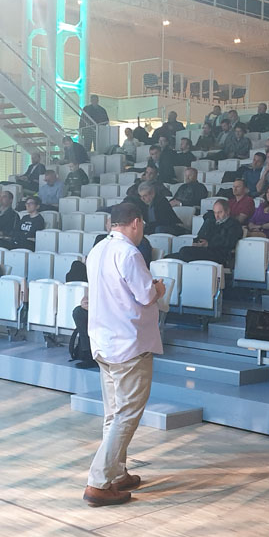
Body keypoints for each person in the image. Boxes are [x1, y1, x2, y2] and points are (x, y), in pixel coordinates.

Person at [82, 203, 166, 506]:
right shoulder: (129, 253)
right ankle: (98, 482)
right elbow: (145, 295)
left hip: (103, 340)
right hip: (128, 342)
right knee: (127, 414)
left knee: (114, 413)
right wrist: (159, 289)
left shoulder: (97, 250)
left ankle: (116, 473)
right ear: (136, 222)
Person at [168, 200, 242, 265]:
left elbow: (229, 242)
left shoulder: (234, 225)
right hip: (206, 251)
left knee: (184, 251)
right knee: (169, 257)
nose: (217, 216)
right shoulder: (212, 222)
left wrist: (208, 244)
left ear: (227, 211)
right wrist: (197, 242)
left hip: (219, 254)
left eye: (220, 212)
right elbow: (201, 236)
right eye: (215, 213)